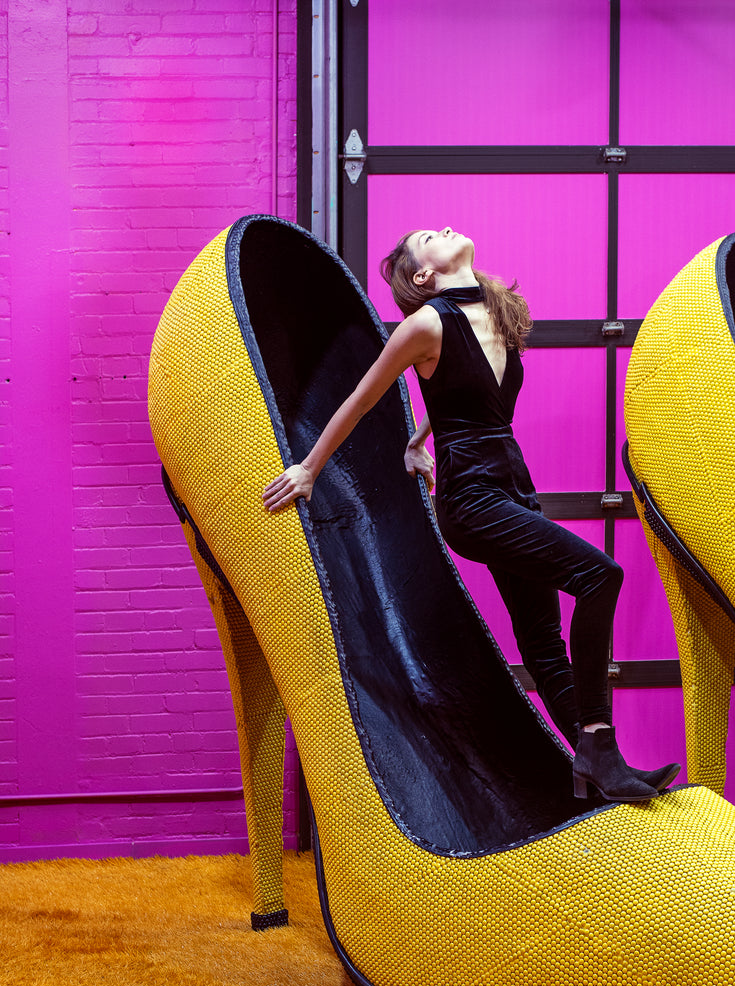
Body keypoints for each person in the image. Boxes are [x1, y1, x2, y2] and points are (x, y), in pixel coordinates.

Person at [263, 226, 677, 802]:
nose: (445, 229)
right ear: (422, 275)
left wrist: (419, 441)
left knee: (543, 648)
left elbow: (468, 397)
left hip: (513, 487)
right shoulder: (426, 324)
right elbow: (362, 397)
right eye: (428, 236)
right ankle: (601, 749)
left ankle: (597, 773)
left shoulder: (499, 316)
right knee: (599, 575)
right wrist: (308, 470)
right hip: (473, 501)